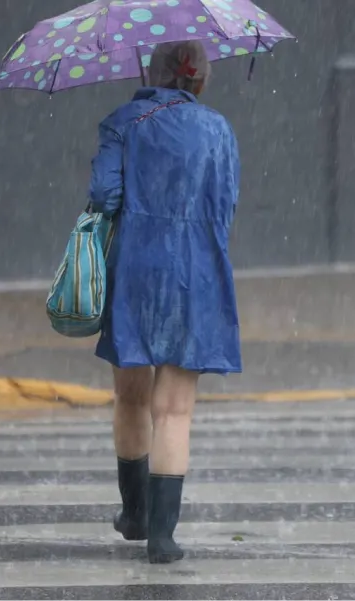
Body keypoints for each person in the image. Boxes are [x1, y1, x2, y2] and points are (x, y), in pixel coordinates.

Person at [87, 40, 242, 564]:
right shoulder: (218, 130)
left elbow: (103, 195)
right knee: (174, 409)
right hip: (195, 270)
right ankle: (163, 537)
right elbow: (225, 205)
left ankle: (135, 513)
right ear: (199, 80)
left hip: (134, 266)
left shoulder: (123, 122)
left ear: (151, 72)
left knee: (131, 398)